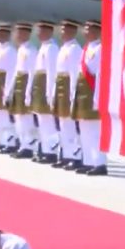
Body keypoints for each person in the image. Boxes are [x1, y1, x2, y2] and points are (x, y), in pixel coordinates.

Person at [71, 20, 106, 175]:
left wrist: (98, 98)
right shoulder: (86, 48)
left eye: (89, 29)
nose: (86, 32)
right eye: (85, 29)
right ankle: (88, 161)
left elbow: (100, 75)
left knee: (95, 130)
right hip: (83, 92)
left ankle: (100, 163)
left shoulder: (100, 49)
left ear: (97, 31)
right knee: (84, 129)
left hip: (93, 92)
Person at [6, 22, 39, 159]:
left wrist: (28, 92)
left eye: (20, 33)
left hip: (26, 84)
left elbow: (32, 72)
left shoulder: (31, 50)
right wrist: (9, 90)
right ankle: (23, 145)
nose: (17, 35)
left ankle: (29, 147)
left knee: (26, 119)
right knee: (18, 117)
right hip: (19, 84)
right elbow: (16, 72)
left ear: (26, 34)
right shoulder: (20, 50)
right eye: (16, 33)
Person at [52, 20, 82, 169]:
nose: (62, 32)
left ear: (73, 32)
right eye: (61, 30)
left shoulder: (75, 49)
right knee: (62, 125)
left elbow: (74, 73)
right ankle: (66, 155)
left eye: (65, 30)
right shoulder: (63, 48)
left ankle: (75, 157)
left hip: (68, 88)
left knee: (70, 126)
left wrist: (72, 94)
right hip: (61, 88)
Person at [30, 21, 60, 164]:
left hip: (45, 87)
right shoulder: (44, 47)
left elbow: (52, 72)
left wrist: (50, 93)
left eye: (41, 30)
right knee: (42, 122)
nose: (38, 33)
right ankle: (45, 150)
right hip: (40, 86)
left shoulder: (52, 49)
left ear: (49, 32)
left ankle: (51, 152)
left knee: (48, 123)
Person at [0, 25, 18, 154]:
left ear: (6, 35)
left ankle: (10, 142)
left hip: (3, 83)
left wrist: (7, 91)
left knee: (6, 117)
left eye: (0, 33)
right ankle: (2, 141)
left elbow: (11, 72)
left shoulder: (10, 50)